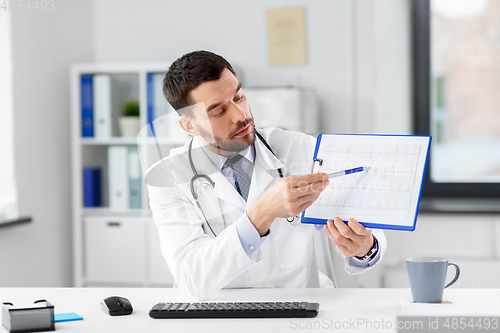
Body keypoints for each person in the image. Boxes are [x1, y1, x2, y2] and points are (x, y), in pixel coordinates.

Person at [145, 50, 386, 300]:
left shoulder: (302, 149)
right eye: (218, 111)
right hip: (220, 317)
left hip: (300, 311)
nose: (241, 115)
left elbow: (368, 231)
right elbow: (190, 279)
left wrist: (364, 248)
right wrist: (260, 215)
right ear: (189, 125)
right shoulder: (168, 178)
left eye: (239, 97)